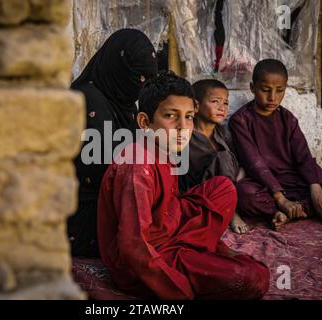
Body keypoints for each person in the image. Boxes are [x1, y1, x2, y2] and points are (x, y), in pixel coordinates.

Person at [97, 71, 270, 300]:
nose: (183, 127)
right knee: (252, 277)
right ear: (144, 122)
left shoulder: (164, 149)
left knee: (224, 188)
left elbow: (170, 203)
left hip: (168, 230)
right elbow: (133, 247)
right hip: (145, 262)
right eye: (171, 116)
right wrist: (179, 292)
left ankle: (197, 251)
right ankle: (193, 256)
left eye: (189, 117)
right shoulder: (137, 166)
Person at [229, 59, 322, 231]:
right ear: (253, 88)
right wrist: (281, 199)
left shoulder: (287, 118)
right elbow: (254, 162)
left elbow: (303, 155)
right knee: (244, 194)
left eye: (280, 90)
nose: (272, 98)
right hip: (265, 184)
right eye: (265, 90)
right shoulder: (240, 120)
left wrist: (316, 189)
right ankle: (295, 209)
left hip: (297, 179)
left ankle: (293, 211)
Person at [68, 29, 158, 257]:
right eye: (138, 78)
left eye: (148, 79)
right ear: (118, 69)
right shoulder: (87, 100)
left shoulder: (124, 100)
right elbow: (100, 168)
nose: (142, 85)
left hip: (115, 197)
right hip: (86, 209)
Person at [179, 79, 249, 234]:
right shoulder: (186, 136)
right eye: (215, 102)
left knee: (228, 160)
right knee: (222, 158)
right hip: (201, 193)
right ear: (196, 106)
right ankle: (232, 213)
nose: (222, 108)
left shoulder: (224, 133)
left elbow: (238, 161)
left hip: (230, 187)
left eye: (225, 103)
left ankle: (230, 205)